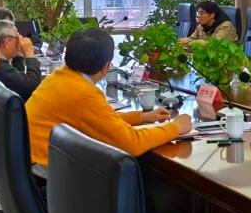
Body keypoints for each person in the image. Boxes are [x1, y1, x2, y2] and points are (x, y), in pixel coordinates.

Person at [26, 28, 192, 168]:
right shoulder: (83, 93)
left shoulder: (58, 77)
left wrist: (143, 117)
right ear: (106, 66)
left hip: (34, 168)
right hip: (49, 175)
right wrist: (176, 127)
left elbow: (100, 119)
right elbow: (132, 144)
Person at [0, 19, 42, 101]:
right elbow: (33, 85)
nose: (19, 41)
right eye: (17, 38)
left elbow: (19, 83)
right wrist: (30, 54)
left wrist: (18, 53)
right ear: (6, 43)